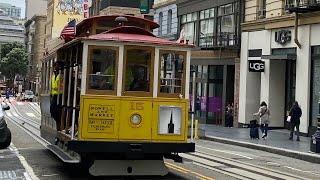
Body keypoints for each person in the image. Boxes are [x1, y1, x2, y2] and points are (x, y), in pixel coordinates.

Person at [50, 61, 64, 131]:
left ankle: (60, 123)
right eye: (55, 65)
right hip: (54, 95)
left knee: (54, 110)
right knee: (52, 110)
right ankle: (59, 123)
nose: (55, 67)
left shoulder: (61, 75)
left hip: (60, 95)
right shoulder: (54, 74)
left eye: (56, 65)